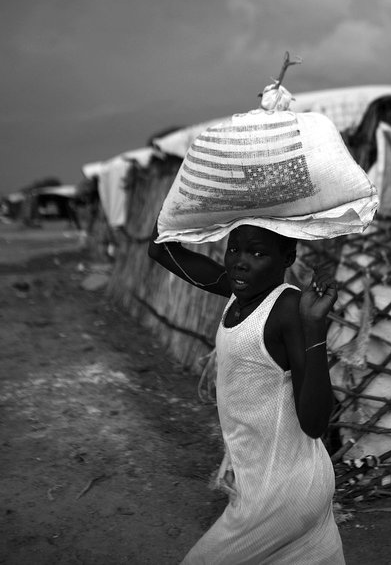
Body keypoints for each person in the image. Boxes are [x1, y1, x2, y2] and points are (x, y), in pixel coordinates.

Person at [148, 223, 345, 564]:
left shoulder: (288, 310)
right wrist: (183, 197)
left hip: (282, 494)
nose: (240, 261)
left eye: (258, 253)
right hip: (272, 481)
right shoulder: (239, 295)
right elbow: (161, 250)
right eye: (234, 248)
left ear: (288, 257)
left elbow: (315, 423)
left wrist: (314, 328)